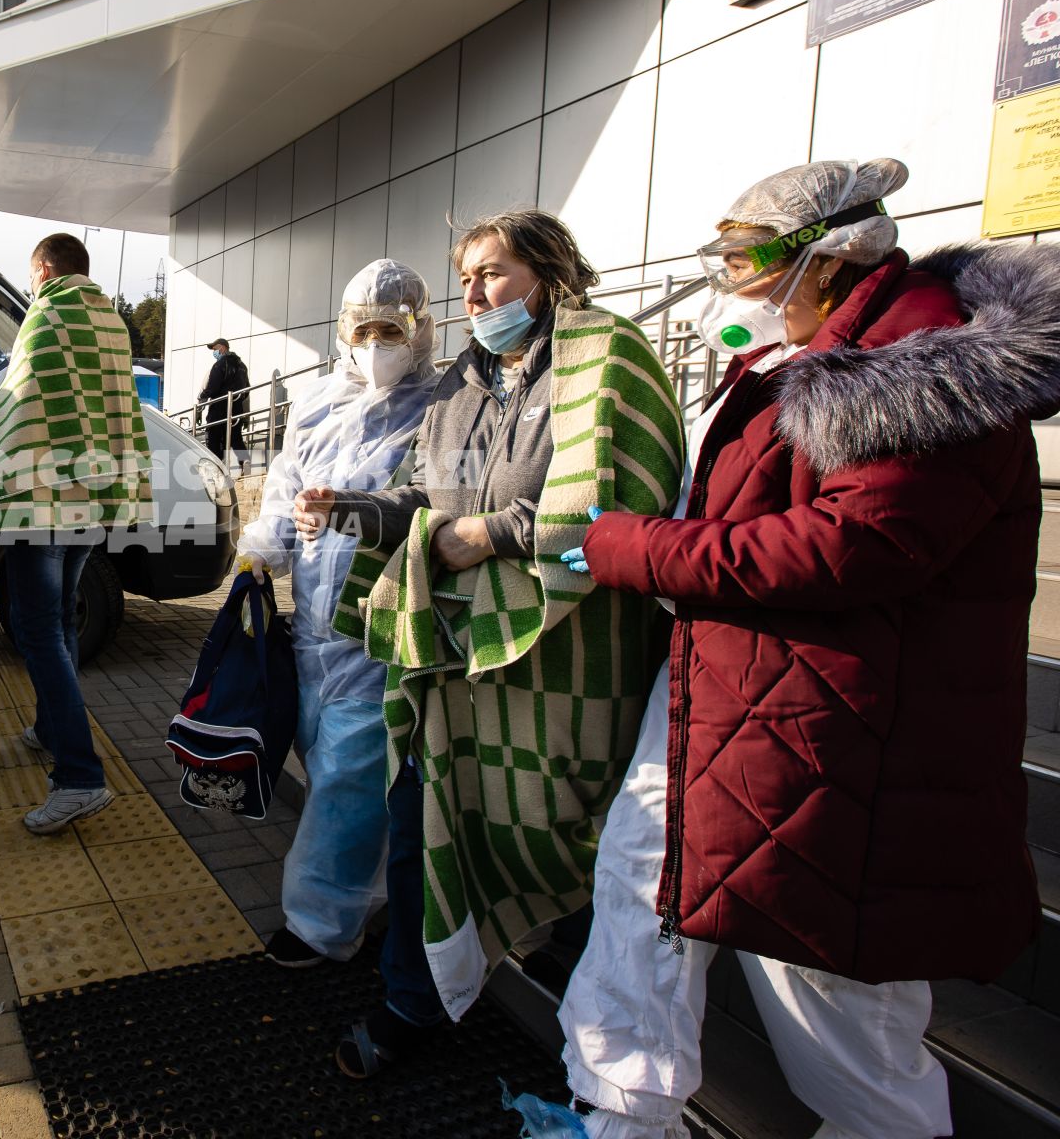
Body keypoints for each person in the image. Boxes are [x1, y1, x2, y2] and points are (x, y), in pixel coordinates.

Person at [537, 160, 1051, 1139]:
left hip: (844, 748)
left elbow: (848, 546)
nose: (726, 281)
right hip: (738, 704)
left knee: (841, 1014)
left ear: (824, 259)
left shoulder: (931, 367)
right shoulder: (803, 357)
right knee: (637, 900)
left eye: (738, 257)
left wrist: (639, 547)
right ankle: (623, 1121)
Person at [297, 211, 682, 1079]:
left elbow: (629, 498)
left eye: (495, 273)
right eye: (465, 277)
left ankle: (596, 1035)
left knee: (569, 839)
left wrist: (498, 533)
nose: (474, 293)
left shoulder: (605, 358)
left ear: (549, 273)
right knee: (421, 827)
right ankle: (411, 1003)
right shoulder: (462, 386)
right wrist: (348, 510)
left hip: (568, 665)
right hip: (461, 661)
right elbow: (425, 506)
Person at [232, 260, 439, 969]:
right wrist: (263, 551)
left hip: (377, 624)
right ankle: (370, 892)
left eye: (391, 330)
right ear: (342, 333)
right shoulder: (318, 402)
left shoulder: (441, 406)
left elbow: (439, 501)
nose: (375, 344)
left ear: (420, 332)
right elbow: (286, 485)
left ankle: (320, 924)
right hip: (310, 626)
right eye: (363, 330)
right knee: (328, 767)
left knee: (349, 779)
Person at [0, 233, 152, 834]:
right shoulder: (111, 323)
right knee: (63, 617)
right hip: (91, 497)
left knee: (37, 630)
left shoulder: (46, 313)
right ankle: (49, 728)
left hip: (42, 501)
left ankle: (79, 776)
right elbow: (113, 406)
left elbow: (19, 402)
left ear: (42, 269)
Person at [199, 338, 250, 460]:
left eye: (215, 349)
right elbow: (246, 390)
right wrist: (245, 415)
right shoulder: (242, 366)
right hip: (236, 407)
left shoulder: (220, 365)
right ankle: (245, 461)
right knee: (235, 438)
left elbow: (212, 387)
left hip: (219, 406)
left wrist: (202, 399)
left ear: (222, 348)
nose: (214, 352)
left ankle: (218, 466)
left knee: (214, 438)